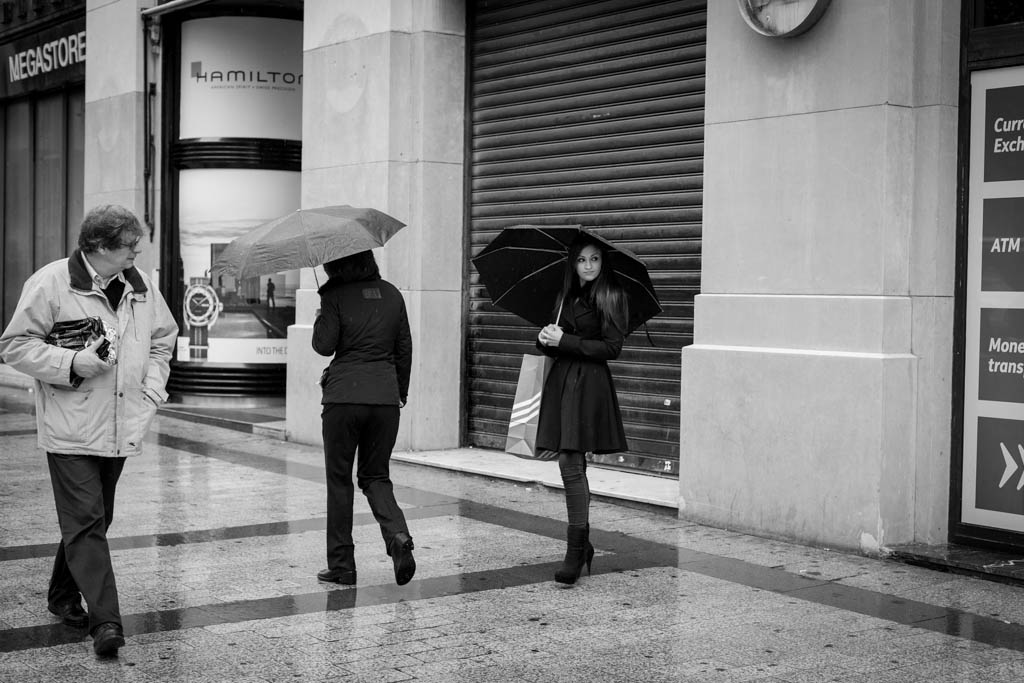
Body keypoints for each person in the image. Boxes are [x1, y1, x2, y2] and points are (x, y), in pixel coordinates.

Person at [0, 205, 178, 655]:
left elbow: (163, 339)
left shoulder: (141, 287)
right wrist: (73, 362)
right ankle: (106, 623)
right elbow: (15, 346)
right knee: (86, 522)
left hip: (121, 425)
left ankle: (62, 595)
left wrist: (152, 391)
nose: (135, 254)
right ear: (99, 247)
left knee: (93, 520)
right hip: (70, 426)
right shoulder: (51, 283)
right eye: (128, 247)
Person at [312, 250, 415, 586]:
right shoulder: (392, 293)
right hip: (385, 401)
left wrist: (321, 314)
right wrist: (399, 392)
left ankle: (342, 566)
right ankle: (398, 536)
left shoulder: (333, 295)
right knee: (375, 477)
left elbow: (324, 346)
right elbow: (404, 349)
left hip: (343, 400)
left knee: (339, 480)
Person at [536, 233, 629, 585]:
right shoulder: (564, 296)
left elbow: (612, 347)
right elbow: (552, 342)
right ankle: (582, 544)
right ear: (572, 263)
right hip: (562, 381)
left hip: (589, 385)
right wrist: (545, 338)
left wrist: (566, 341)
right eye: (582, 260)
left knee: (568, 460)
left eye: (595, 259)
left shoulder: (612, 295)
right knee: (570, 460)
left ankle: (575, 550)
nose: (589, 266)